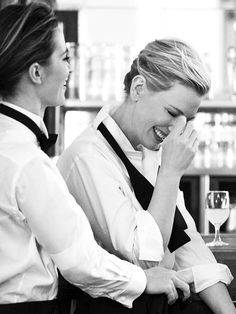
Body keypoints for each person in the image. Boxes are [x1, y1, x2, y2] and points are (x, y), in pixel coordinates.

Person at [0, 4, 194, 314]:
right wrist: (143, 280)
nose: (71, 68)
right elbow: (79, 260)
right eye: (64, 57)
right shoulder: (28, 161)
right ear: (36, 72)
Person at [58, 38, 236, 314]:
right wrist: (171, 174)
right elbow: (146, 264)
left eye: (187, 120)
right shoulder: (88, 158)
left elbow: (188, 247)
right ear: (138, 88)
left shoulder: (151, 149)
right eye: (172, 112)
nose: (178, 129)